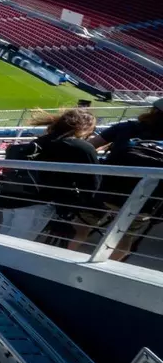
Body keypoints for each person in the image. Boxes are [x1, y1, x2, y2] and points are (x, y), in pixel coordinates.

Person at [69, 99, 163, 260]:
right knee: (123, 240)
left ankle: (64, 257)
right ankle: (105, 268)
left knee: (80, 229)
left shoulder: (127, 127)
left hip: (105, 191)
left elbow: (89, 147)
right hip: (143, 201)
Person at [0, 108, 98, 241]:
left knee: (3, 239)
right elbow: (92, 185)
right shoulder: (82, 147)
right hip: (38, 203)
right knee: (16, 244)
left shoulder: (42, 141)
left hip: (13, 198)